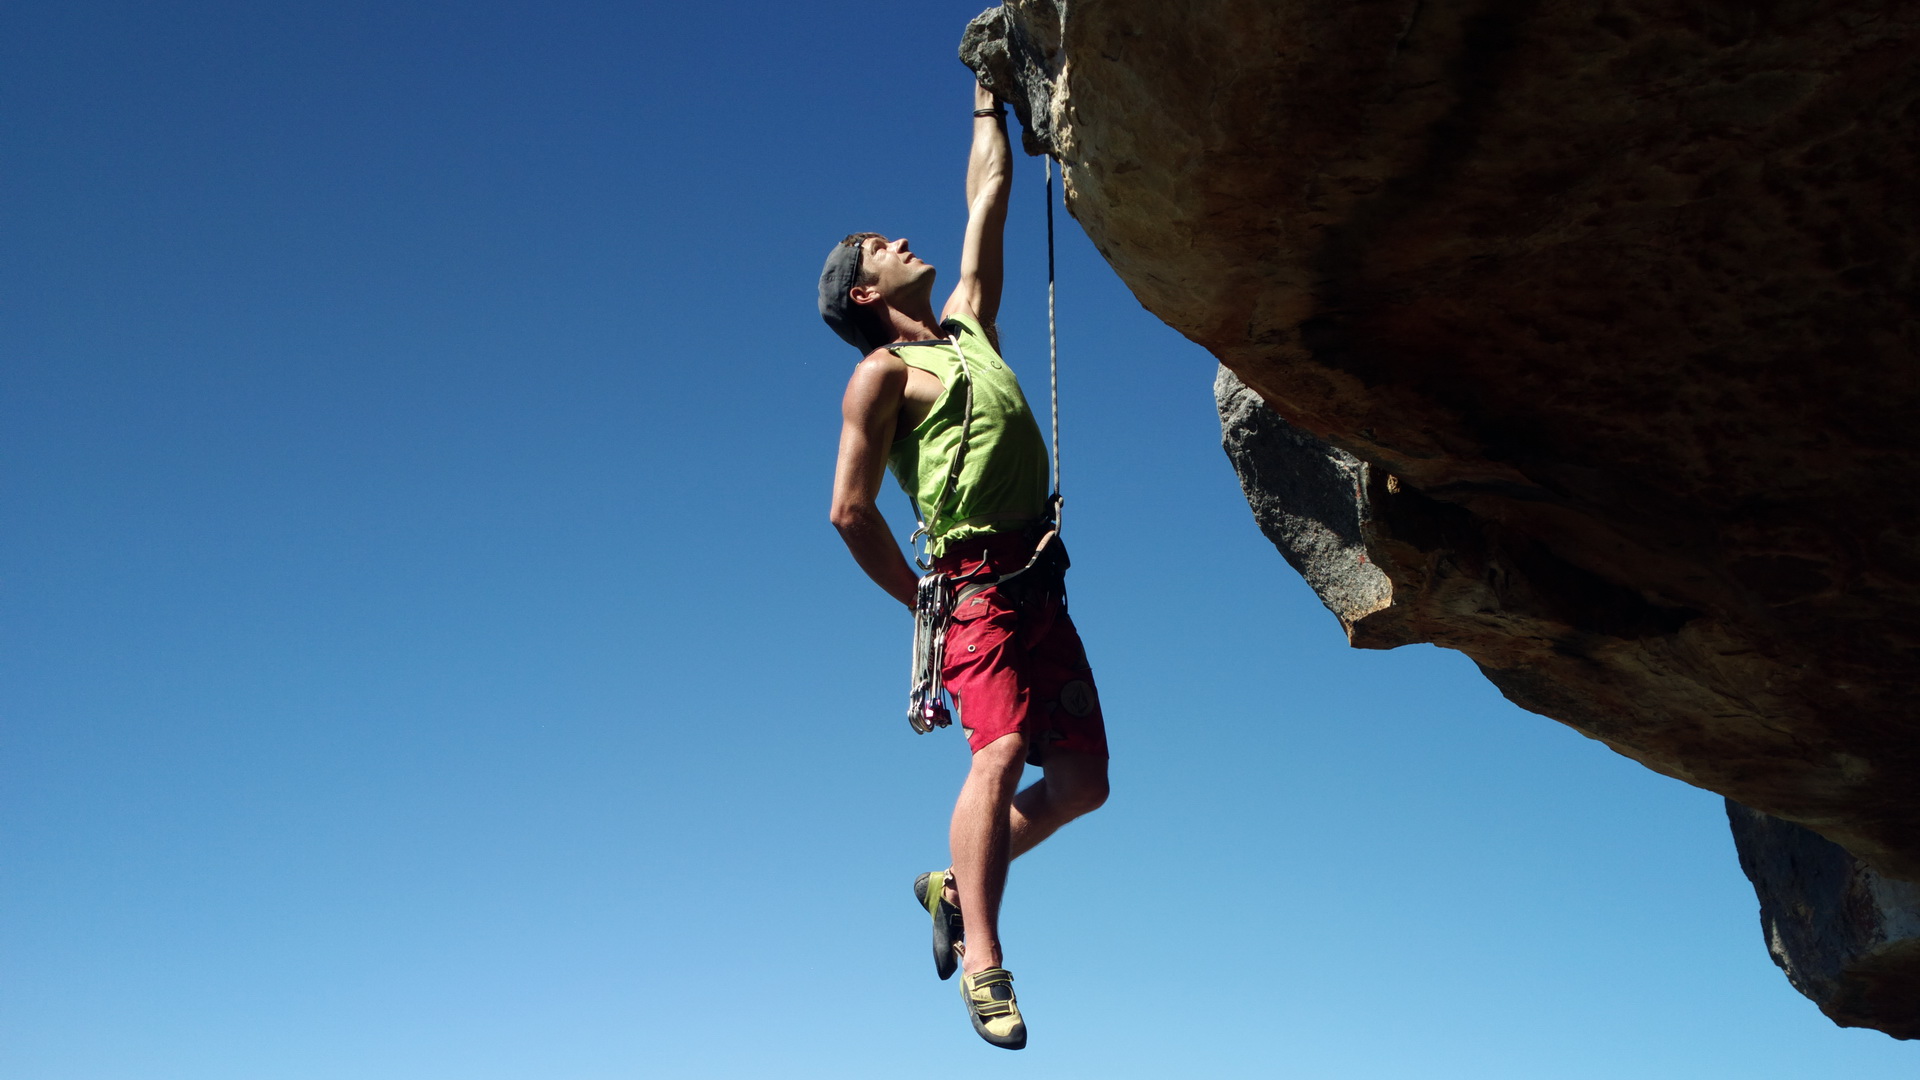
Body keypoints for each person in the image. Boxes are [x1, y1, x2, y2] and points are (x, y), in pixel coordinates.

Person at [817, 80, 1109, 1051]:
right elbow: (850, 512)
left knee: (1084, 782)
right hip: (972, 588)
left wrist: (989, 97)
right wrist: (920, 607)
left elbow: (988, 198)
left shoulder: (968, 326)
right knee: (1001, 749)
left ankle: (951, 881)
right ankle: (984, 960)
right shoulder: (883, 377)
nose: (903, 243)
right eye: (882, 248)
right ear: (864, 292)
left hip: (1039, 582)